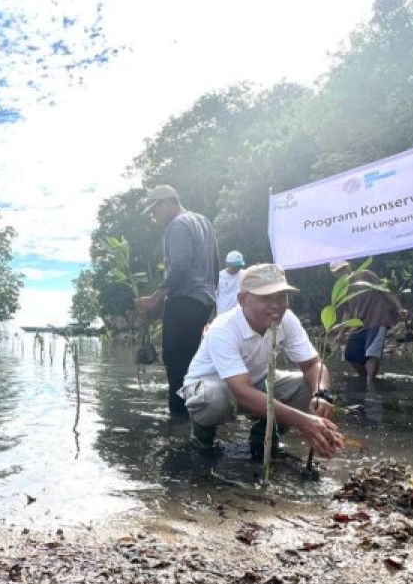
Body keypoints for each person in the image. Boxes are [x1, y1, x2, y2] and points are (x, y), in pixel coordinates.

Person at [179, 263, 344, 460]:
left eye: (281, 296)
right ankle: (202, 439)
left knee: (306, 385)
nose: (275, 305)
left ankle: (263, 434)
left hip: (257, 380)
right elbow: (241, 390)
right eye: (265, 297)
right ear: (242, 300)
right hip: (211, 387)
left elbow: (313, 364)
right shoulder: (224, 328)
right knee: (216, 398)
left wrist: (322, 394)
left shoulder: (286, 319)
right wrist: (303, 422)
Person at [136, 185, 218, 416]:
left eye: (154, 210)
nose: (154, 216)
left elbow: (179, 266)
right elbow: (215, 264)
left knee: (175, 363)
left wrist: (154, 298)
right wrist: (212, 302)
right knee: (193, 362)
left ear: (167, 203)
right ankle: (197, 416)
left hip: (183, 301)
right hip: (203, 301)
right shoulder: (204, 222)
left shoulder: (177, 225)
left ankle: (178, 422)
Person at [330, 260, 407, 391]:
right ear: (334, 275)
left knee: (372, 352)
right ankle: (366, 379)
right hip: (359, 323)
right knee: (350, 353)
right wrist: (341, 332)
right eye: (338, 271)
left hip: (378, 317)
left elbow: (385, 291)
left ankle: (370, 385)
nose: (342, 272)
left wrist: (400, 308)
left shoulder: (366, 275)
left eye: (343, 268)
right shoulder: (342, 289)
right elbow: (348, 311)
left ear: (349, 267)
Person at [215, 250, 246, 316]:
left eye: (239, 266)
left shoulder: (244, 274)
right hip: (223, 315)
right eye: (235, 266)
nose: (237, 268)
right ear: (227, 263)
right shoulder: (218, 277)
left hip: (240, 315)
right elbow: (214, 297)